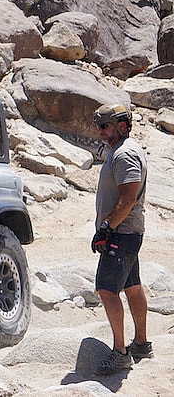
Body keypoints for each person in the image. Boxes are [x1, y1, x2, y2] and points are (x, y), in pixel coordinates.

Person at [90, 103, 152, 376]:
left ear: (122, 126)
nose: (100, 131)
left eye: (105, 126)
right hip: (126, 232)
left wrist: (106, 228)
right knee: (132, 286)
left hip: (121, 233)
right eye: (99, 127)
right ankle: (141, 343)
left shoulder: (125, 154)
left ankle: (120, 353)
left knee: (106, 289)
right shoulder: (122, 149)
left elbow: (128, 198)